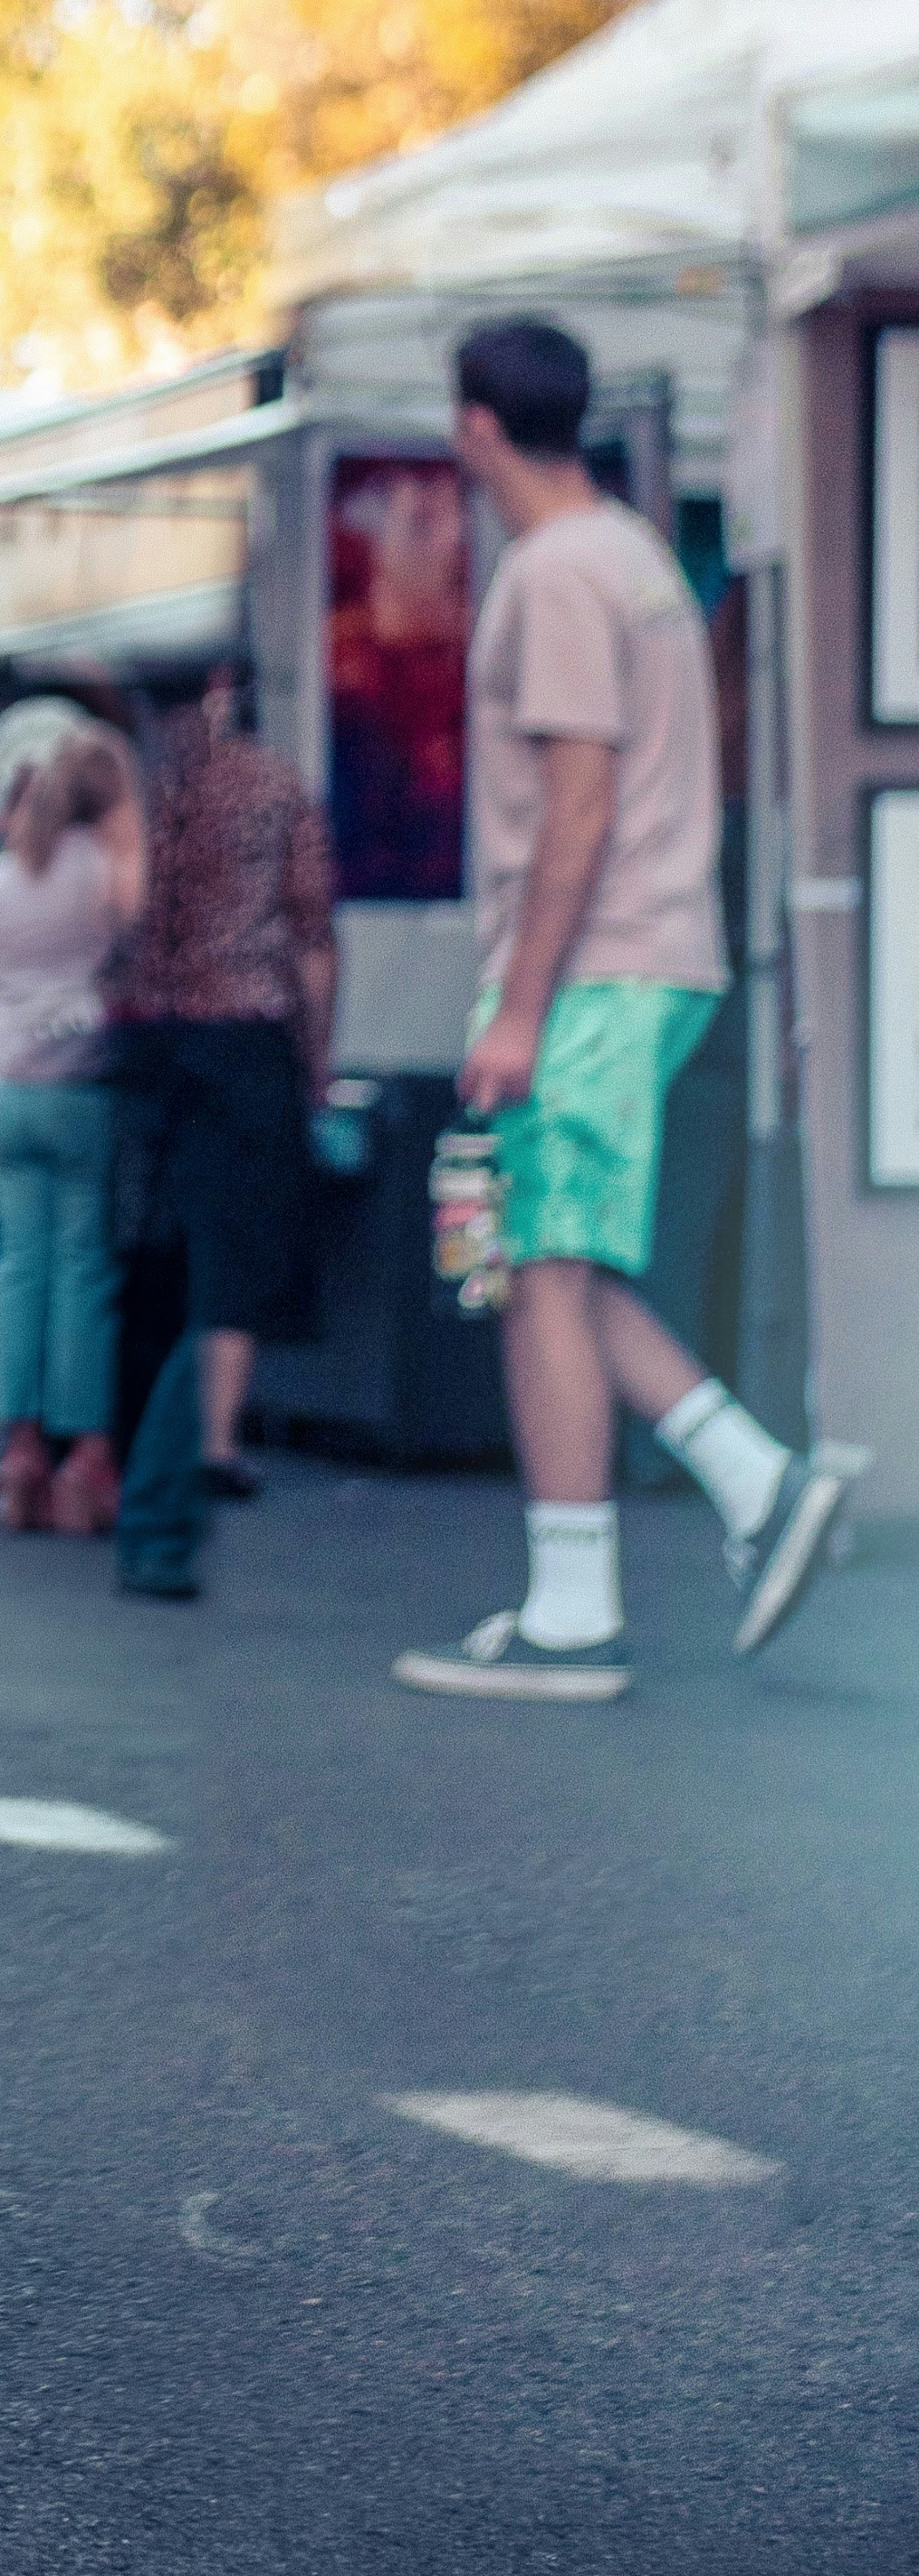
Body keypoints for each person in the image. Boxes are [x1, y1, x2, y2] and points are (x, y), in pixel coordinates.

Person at [393, 320, 857, 1695]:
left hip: (593, 972)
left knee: (539, 1270)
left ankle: (576, 1612)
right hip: (647, 959)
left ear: (477, 425)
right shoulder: (637, 556)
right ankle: (751, 1484)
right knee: (558, 1263)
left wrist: (517, 1008)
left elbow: (578, 804)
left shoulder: (553, 572)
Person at [109, 670, 336, 1598]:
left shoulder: (135, 790)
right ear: (220, 686)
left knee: (151, 1275)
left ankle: (130, 1481)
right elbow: (311, 932)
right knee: (226, 1270)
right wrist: (316, 1060)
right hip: (243, 1042)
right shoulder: (271, 785)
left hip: (147, 1047)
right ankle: (176, 1488)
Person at [0, 725, 143, 1534]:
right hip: (81, 1087)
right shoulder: (110, 873)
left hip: (2, 1090)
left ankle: (19, 1453)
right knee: (82, 1273)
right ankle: (85, 1458)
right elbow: (136, 965)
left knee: (17, 1270)